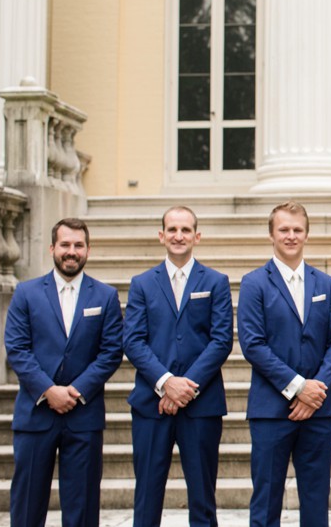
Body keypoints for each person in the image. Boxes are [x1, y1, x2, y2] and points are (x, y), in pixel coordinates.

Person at [4, 218, 123, 527]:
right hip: (35, 414)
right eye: (66, 245)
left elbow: (111, 353)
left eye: (78, 245)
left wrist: (76, 391)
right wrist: (48, 390)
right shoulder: (26, 293)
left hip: (83, 415)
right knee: (27, 505)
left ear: (88, 250)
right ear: (52, 248)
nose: (72, 252)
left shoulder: (105, 296)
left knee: (82, 508)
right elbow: (17, 349)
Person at [237, 201, 331, 527]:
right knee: (266, 498)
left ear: (306, 234)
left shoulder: (325, 284)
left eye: (297, 230)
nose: (290, 236)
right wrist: (298, 388)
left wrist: (317, 390)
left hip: (319, 409)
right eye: (284, 229)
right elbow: (253, 344)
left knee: (316, 498)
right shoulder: (254, 283)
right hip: (271, 409)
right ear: (272, 234)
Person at [122, 206, 233, 526]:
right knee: (146, 496)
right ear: (161, 236)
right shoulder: (142, 283)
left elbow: (221, 341)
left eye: (185, 230)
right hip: (151, 404)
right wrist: (166, 382)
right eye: (172, 229)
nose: (178, 236)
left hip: (202, 404)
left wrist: (187, 386)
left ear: (197, 236)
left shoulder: (215, 282)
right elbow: (133, 341)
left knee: (202, 497)